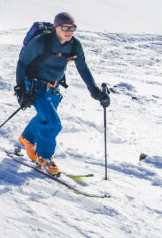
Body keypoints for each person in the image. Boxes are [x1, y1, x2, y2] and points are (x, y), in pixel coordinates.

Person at [14, 12, 110, 175]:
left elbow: (82, 67)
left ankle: (27, 138)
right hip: (36, 86)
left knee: (44, 118)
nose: (69, 31)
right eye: (65, 27)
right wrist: (20, 89)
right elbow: (22, 62)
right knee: (53, 123)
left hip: (54, 88)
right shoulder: (41, 42)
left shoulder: (74, 45)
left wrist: (93, 90)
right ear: (56, 27)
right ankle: (44, 157)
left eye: (72, 28)